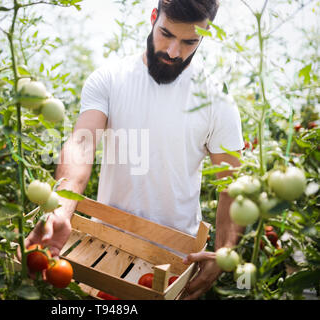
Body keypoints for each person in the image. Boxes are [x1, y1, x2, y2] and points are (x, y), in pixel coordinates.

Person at [22, 0, 245, 300]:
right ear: (153, 18)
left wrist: (224, 252)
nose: (173, 51)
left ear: (206, 36)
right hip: (103, 253)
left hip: (173, 268)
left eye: (189, 41)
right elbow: (81, 143)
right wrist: (61, 208)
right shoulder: (110, 78)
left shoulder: (217, 100)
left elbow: (233, 186)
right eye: (166, 34)